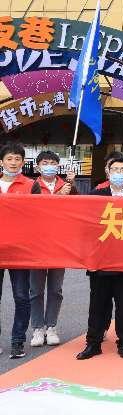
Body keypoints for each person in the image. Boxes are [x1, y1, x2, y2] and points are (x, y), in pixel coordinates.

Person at [77, 155, 123, 360]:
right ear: (108, 172)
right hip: (101, 259)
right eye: (115, 169)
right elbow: (87, 227)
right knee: (98, 303)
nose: (119, 173)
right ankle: (93, 343)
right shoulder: (96, 195)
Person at [29, 150, 76, 349]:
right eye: (45, 163)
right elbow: (32, 210)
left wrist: (72, 187)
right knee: (36, 290)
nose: (49, 166)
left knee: (56, 289)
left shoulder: (67, 185)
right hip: (36, 245)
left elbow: (78, 210)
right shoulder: (31, 186)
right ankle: (37, 328)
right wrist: (58, 195)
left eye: (53, 163)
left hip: (59, 244)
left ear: (58, 166)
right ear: (38, 166)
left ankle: (51, 326)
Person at [0, 143, 35, 359]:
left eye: (17, 159)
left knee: (21, 296)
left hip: (20, 250)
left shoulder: (31, 185)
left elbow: (41, 215)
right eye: (9, 158)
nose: (13, 163)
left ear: (23, 162)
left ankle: (17, 341)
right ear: (2, 161)